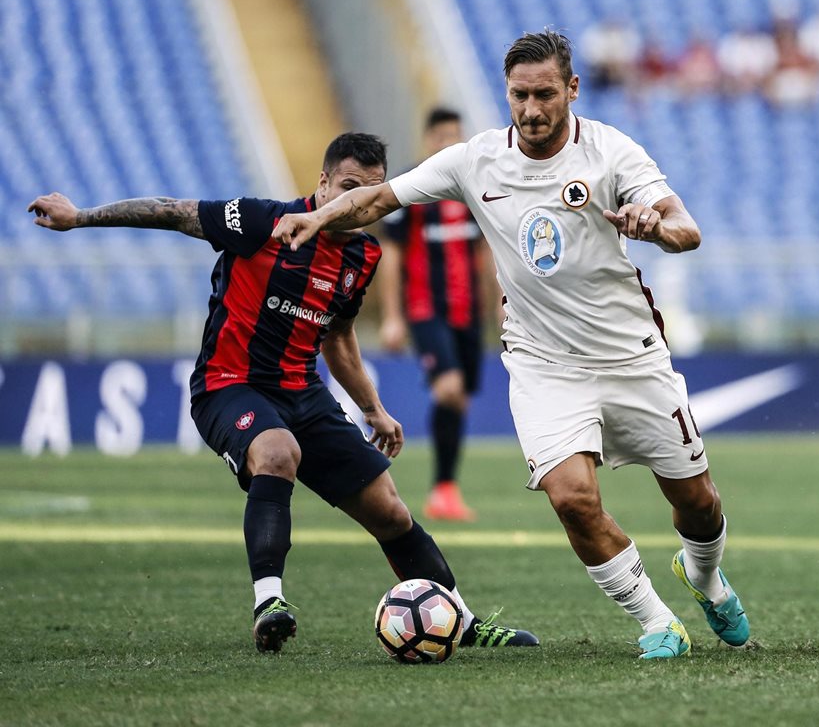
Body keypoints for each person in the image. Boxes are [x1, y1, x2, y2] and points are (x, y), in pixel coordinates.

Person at [271, 31, 750, 660]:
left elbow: (686, 228)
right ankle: (656, 621)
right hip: (542, 362)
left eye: (544, 94)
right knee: (572, 498)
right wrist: (316, 216)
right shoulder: (475, 160)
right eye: (519, 95)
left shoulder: (611, 152)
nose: (530, 110)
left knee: (697, 500)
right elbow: (379, 197)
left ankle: (705, 576)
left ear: (571, 89)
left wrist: (655, 227)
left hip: (630, 355)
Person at [27, 133, 537, 654]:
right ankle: (269, 601)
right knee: (277, 451)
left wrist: (373, 410)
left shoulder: (362, 255)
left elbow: (337, 337)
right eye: (346, 187)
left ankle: (464, 623)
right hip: (229, 384)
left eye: (369, 192)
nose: (352, 203)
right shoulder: (261, 222)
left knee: (390, 510)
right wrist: (82, 216)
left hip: (303, 394)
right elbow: (170, 211)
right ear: (322, 182)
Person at [378, 108, 494, 521]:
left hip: (469, 313)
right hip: (425, 310)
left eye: (455, 136)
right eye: (441, 135)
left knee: (459, 398)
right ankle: (440, 490)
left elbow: (485, 254)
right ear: (429, 139)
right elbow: (390, 255)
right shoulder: (411, 190)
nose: (448, 143)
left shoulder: (474, 189)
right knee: (448, 389)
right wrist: (392, 316)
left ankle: (445, 490)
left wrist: (500, 308)